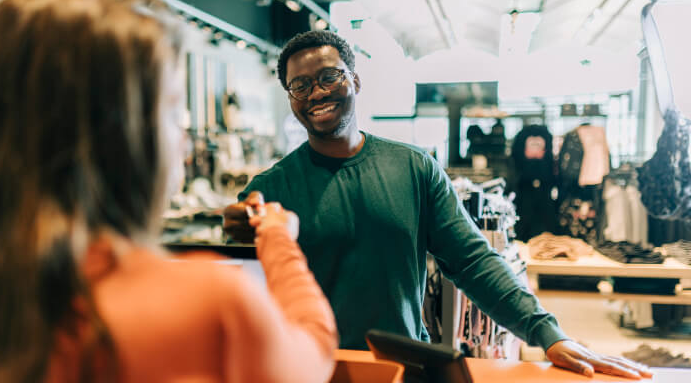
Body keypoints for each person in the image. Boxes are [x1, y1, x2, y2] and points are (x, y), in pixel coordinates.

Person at [0, 0, 337, 382]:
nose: (182, 132)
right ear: (121, 133)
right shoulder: (205, 307)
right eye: (171, 106)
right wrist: (279, 238)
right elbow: (314, 352)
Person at [224, 30, 652, 379]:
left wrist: (548, 333)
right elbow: (241, 279)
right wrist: (236, 226)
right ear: (290, 97)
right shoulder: (273, 186)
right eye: (300, 85)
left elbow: (473, 261)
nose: (316, 92)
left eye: (329, 77)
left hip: (404, 366)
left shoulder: (412, 168)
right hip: (310, 370)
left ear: (355, 80)